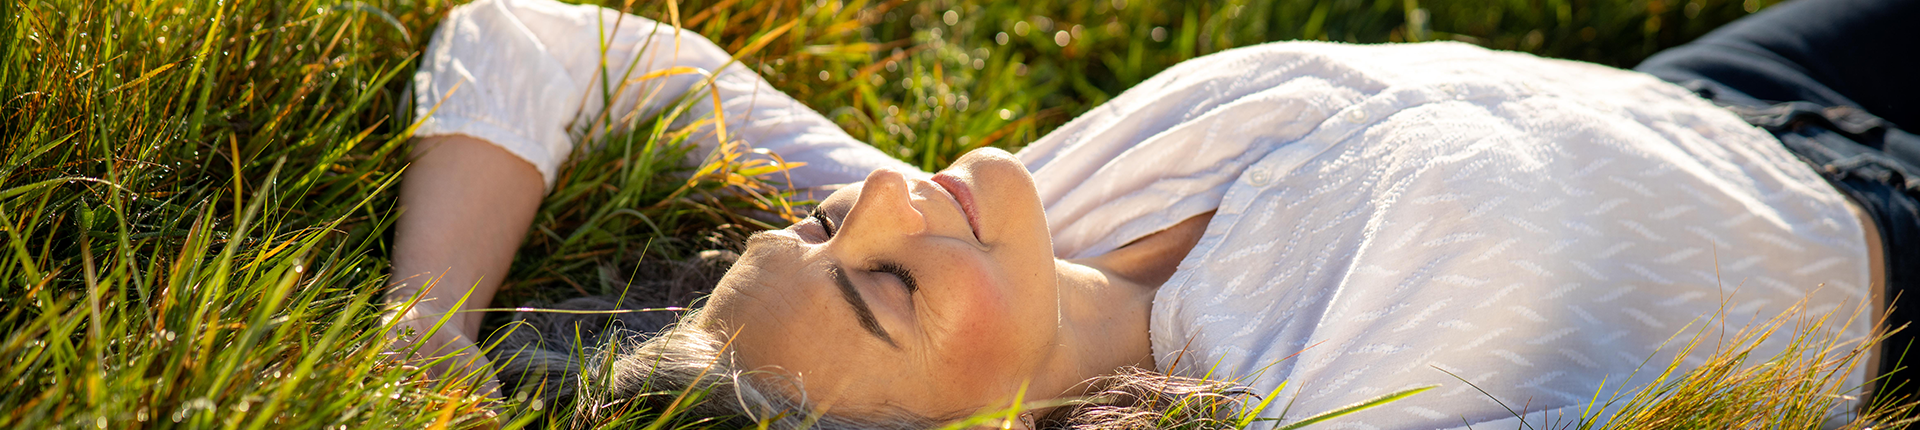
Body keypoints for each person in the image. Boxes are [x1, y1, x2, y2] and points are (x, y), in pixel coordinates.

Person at [387, 0, 1919, 428]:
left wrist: (425, 334)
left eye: (821, 228)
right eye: (885, 295)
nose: (885, 208)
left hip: (1735, 88)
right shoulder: (1328, 395)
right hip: (1887, 259)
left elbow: (537, 40)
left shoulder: (1053, 211)